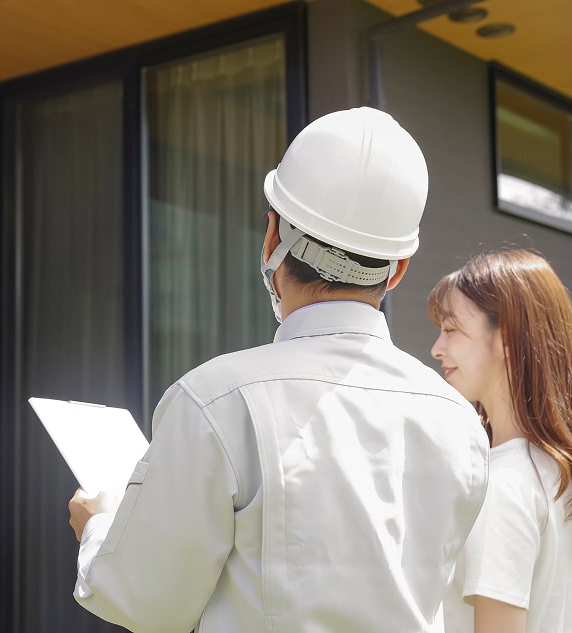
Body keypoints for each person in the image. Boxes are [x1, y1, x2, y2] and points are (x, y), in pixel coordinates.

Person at [68, 107, 489, 633]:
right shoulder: (459, 419)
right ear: (398, 269)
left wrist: (99, 528)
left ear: (272, 239)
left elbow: (147, 604)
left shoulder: (217, 400)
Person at [429, 247, 572, 633]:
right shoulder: (554, 472)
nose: (437, 348)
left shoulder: (502, 485)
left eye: (451, 329)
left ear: (506, 338)